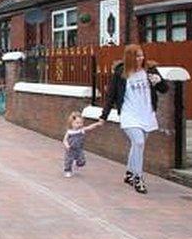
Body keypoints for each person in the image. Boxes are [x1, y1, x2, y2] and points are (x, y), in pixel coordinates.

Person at [100, 43, 168, 194]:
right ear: (130, 57)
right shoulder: (121, 72)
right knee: (138, 142)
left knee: (137, 145)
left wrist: (158, 82)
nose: (141, 58)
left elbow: (164, 89)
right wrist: (103, 116)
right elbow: (111, 95)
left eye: (142, 55)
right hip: (129, 114)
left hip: (147, 113)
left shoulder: (149, 70)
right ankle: (138, 177)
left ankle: (129, 173)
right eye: (137, 56)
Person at [62, 111, 103, 177]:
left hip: (79, 149)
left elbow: (90, 127)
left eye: (81, 123)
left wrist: (97, 124)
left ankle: (77, 164)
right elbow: (65, 140)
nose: (79, 125)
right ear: (71, 123)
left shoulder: (81, 130)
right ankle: (68, 170)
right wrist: (67, 145)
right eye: (77, 123)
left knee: (82, 161)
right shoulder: (69, 131)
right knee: (68, 160)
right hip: (70, 149)